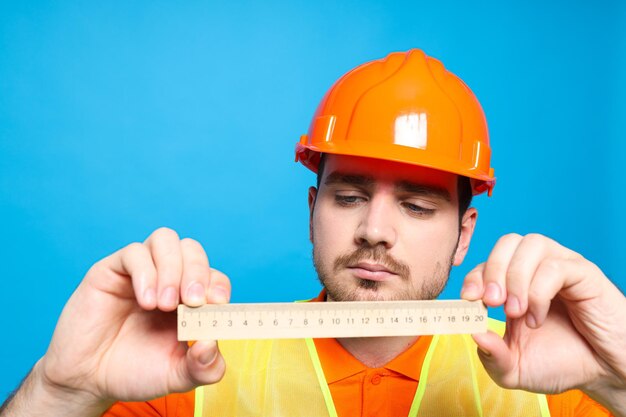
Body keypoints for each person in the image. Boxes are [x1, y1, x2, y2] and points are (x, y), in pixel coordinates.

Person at [1, 49, 625, 417]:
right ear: (312, 207)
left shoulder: (558, 385)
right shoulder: (185, 372)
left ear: (466, 234)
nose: (373, 230)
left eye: (416, 207)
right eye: (348, 196)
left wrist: (618, 378)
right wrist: (60, 391)